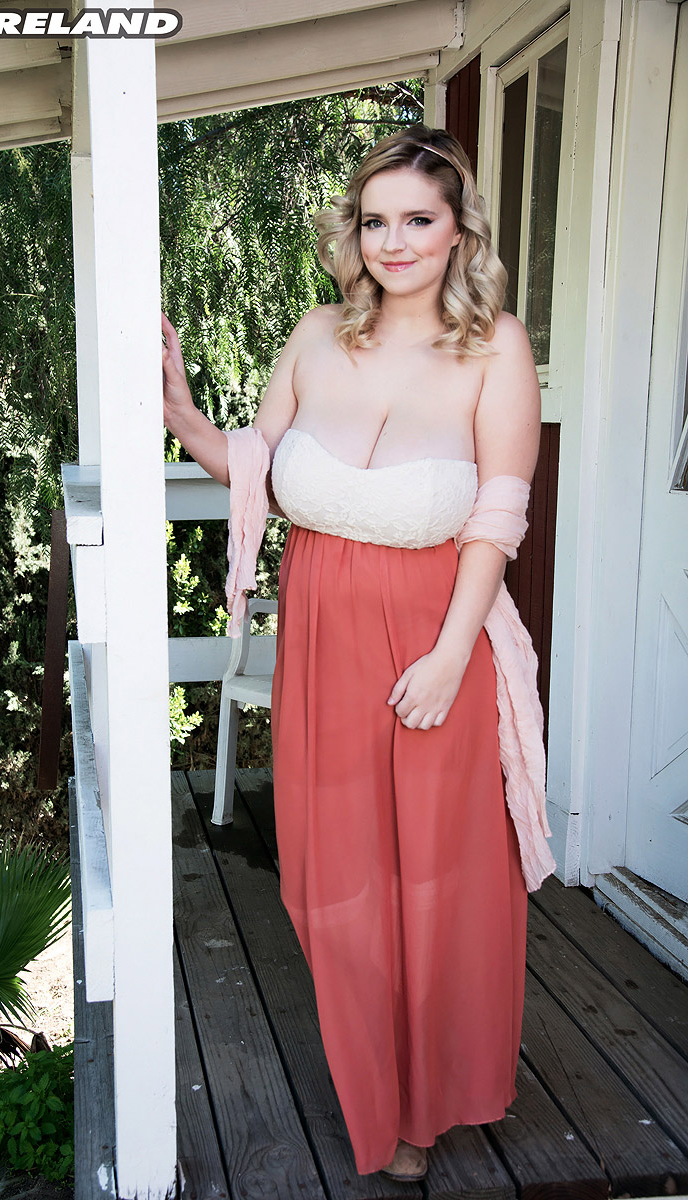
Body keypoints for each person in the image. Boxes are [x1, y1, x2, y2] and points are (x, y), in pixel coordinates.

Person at [161, 123, 552, 1183]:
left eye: (418, 219)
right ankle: (375, 1086)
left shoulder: (496, 346)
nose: (394, 241)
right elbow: (255, 462)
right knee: (332, 879)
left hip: (435, 641)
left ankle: (426, 1105)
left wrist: (451, 657)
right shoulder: (314, 334)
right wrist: (183, 413)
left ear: (459, 229)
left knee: (436, 876)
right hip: (323, 643)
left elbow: (498, 517)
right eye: (376, 221)